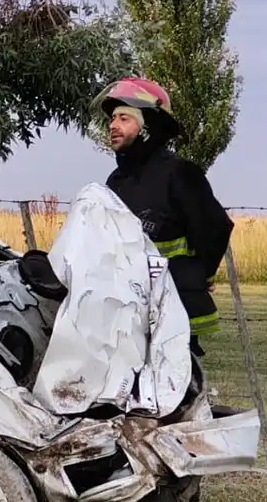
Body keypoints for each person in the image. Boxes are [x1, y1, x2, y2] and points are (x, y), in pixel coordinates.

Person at [94, 77, 235, 357]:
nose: (113, 125)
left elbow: (215, 227)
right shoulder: (116, 181)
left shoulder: (179, 173)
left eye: (124, 118)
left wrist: (197, 272)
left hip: (174, 305)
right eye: (112, 119)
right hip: (126, 308)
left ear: (147, 126)